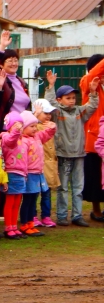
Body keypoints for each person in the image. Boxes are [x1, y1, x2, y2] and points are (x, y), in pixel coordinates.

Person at [44, 72, 99, 227]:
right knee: (62, 187)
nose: (72, 101)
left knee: (78, 187)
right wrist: (51, 86)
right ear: (59, 99)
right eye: (68, 98)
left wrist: (93, 93)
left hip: (79, 155)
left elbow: (92, 106)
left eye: (73, 98)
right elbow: (49, 104)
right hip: (63, 154)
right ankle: (62, 216)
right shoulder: (57, 112)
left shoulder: (80, 112)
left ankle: (77, 215)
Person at [18, 111, 56, 238]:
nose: (35, 128)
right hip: (28, 174)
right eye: (32, 126)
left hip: (37, 173)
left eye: (35, 126)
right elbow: (22, 159)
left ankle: (30, 223)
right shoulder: (23, 141)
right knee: (27, 200)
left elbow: (47, 134)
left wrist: (52, 127)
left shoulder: (37, 137)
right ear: (23, 127)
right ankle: (24, 224)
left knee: (34, 198)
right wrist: (24, 173)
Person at [0, 31, 28, 132]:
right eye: (10, 61)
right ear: (1, 65)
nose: (14, 64)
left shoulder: (21, 82)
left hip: (22, 129)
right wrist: (2, 46)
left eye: (16, 60)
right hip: (6, 129)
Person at [80, 53, 104, 221]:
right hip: (95, 140)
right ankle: (96, 210)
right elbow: (95, 72)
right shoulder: (88, 84)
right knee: (95, 176)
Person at [32, 98, 59, 228]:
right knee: (34, 192)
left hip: (49, 165)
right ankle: (32, 215)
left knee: (47, 192)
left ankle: (46, 216)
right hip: (36, 165)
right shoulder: (33, 127)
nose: (48, 116)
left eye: (50, 113)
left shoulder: (51, 125)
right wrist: (35, 116)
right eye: (45, 113)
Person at [0, 112, 26, 240]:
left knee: (17, 201)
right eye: (16, 124)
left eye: (20, 124)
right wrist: (15, 131)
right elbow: (10, 141)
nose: (19, 127)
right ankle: (8, 227)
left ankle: (14, 226)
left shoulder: (22, 139)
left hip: (21, 173)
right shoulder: (6, 136)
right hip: (11, 172)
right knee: (10, 201)